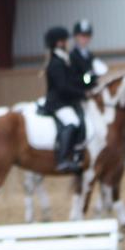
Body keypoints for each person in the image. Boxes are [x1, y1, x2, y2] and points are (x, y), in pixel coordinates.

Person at [43, 26, 88, 174]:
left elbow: (74, 79)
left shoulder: (64, 59)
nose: (69, 43)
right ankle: (62, 160)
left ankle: (76, 153)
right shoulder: (56, 63)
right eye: (66, 40)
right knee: (72, 122)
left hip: (67, 101)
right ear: (59, 43)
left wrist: (87, 79)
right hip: (58, 103)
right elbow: (62, 87)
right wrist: (81, 94)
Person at [69, 19, 108, 87]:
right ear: (76, 36)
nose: (85, 38)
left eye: (88, 36)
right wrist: (90, 78)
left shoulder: (90, 55)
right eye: (83, 35)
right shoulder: (71, 56)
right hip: (79, 92)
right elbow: (73, 78)